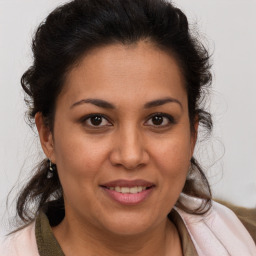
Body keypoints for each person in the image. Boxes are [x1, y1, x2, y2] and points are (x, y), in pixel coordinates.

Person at [1, 0, 255, 255]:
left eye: (158, 119)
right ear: (48, 136)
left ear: (192, 134)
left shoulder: (245, 237)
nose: (131, 156)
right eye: (96, 120)